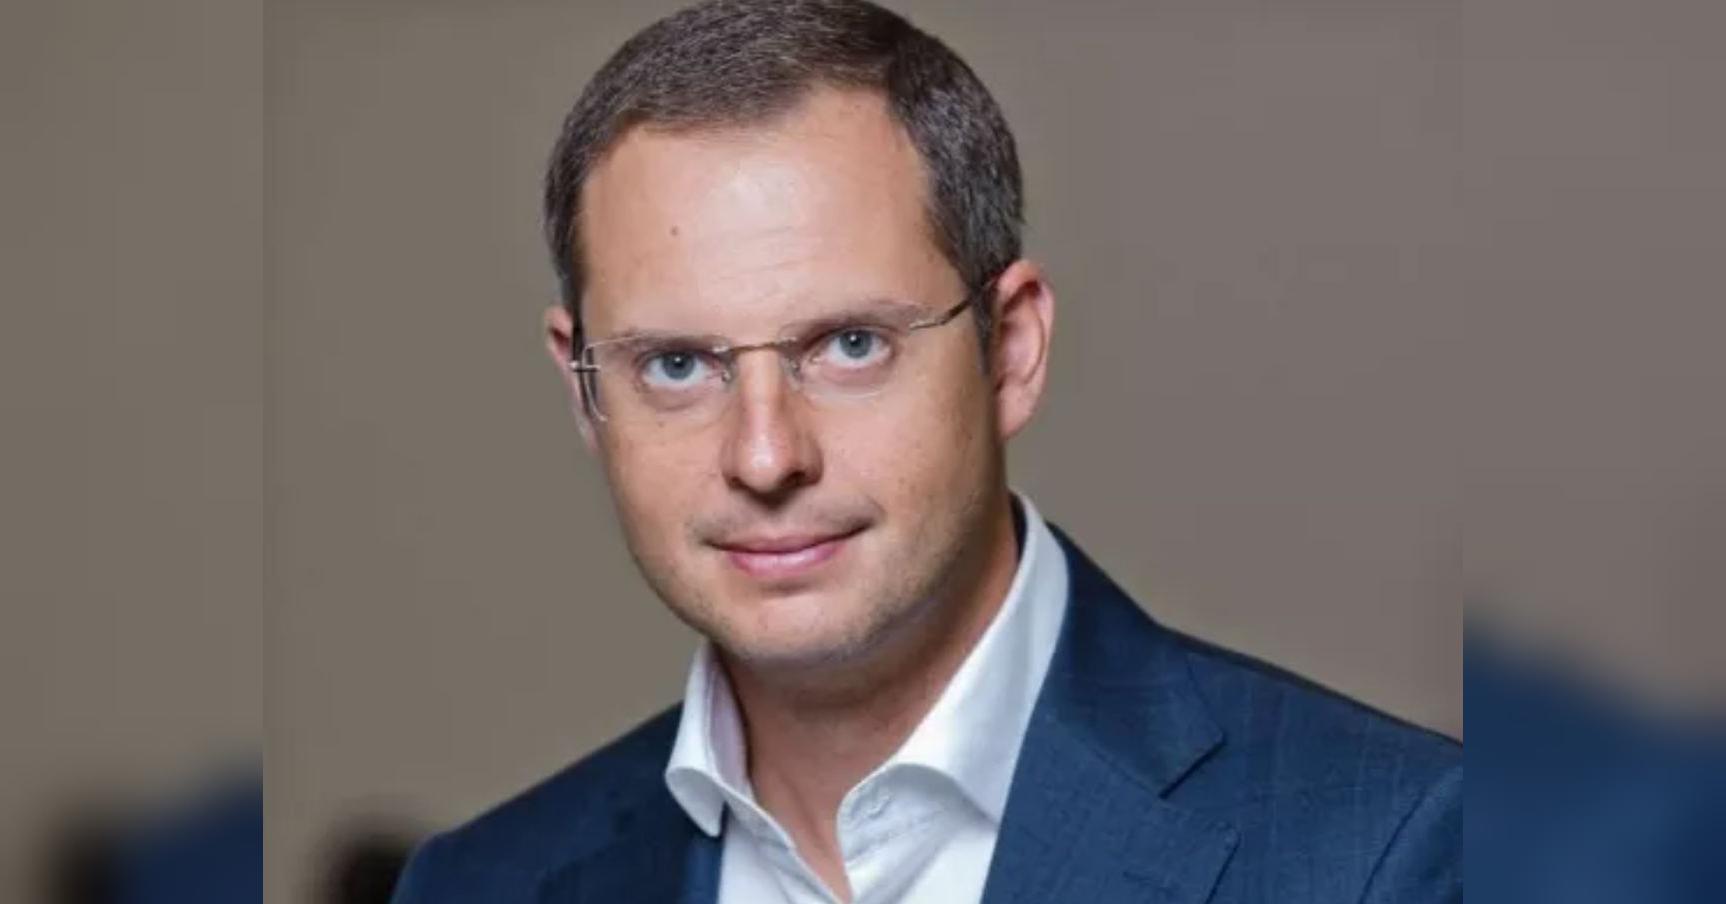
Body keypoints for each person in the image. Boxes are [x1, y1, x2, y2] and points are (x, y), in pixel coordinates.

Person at [390, 1, 1461, 901]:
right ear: (583, 390)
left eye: (850, 345)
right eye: (676, 364)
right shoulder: (476, 886)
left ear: (1012, 350)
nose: (764, 456)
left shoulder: (1391, 848)